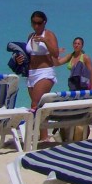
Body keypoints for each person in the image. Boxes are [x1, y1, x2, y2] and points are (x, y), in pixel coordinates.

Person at [18, 11, 59, 142]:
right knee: (39, 105)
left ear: (44, 22)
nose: (36, 26)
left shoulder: (49, 35)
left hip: (45, 72)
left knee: (35, 103)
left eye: (39, 23)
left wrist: (45, 41)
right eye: (34, 23)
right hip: (32, 74)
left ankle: (34, 134)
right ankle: (44, 136)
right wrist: (19, 59)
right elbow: (33, 54)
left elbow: (56, 54)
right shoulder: (31, 36)